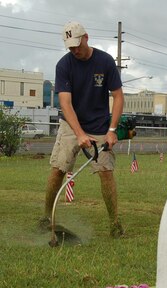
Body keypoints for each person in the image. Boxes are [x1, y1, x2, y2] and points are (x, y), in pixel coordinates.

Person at [39, 21, 125, 238]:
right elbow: (65, 104)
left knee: (106, 173)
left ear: (86, 37)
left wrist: (112, 130)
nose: (74, 50)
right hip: (71, 125)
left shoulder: (105, 61)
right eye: (70, 47)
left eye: (77, 44)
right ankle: (47, 217)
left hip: (99, 125)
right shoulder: (64, 65)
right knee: (58, 169)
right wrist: (78, 134)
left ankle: (114, 224)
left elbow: (118, 96)